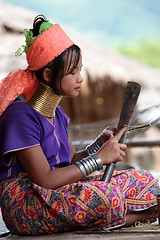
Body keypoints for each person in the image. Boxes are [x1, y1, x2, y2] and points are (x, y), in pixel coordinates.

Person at [0, 15, 159, 235]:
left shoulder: (58, 114)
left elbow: (70, 162)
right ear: (48, 74)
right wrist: (100, 159)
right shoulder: (20, 116)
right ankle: (146, 216)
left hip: (59, 193)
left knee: (143, 179)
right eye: (73, 72)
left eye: (80, 70)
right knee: (105, 195)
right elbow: (45, 179)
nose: (80, 78)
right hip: (27, 203)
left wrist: (98, 145)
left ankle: (135, 213)